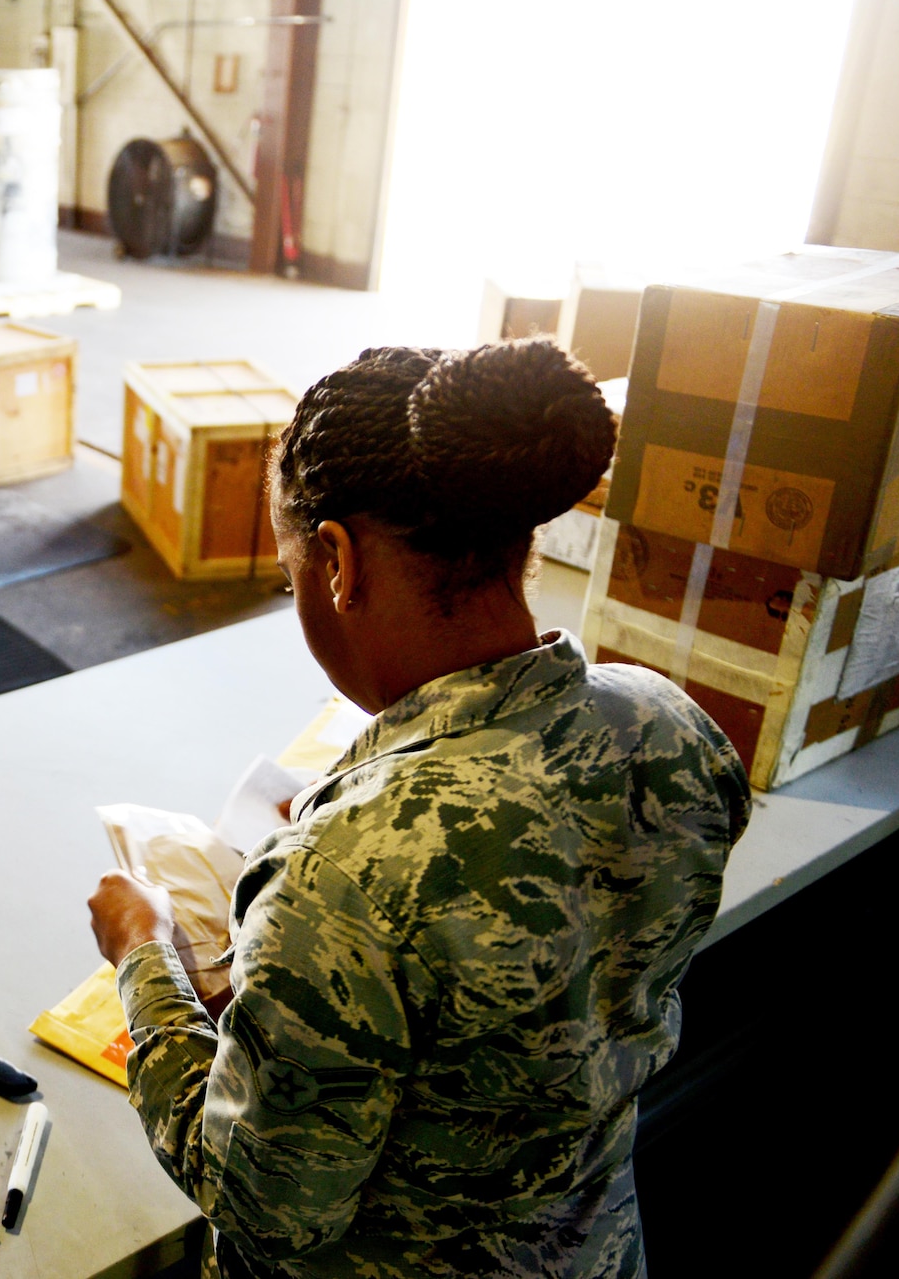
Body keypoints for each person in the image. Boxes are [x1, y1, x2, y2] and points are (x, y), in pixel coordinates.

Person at [87, 340, 751, 1278]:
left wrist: (146, 956)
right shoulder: (667, 726)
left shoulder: (342, 873)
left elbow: (260, 1204)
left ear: (336, 563)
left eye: (289, 576)